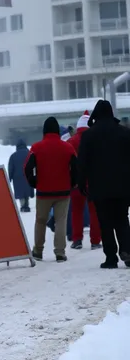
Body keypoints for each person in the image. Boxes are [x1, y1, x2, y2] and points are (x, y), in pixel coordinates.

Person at [78, 100, 130, 269]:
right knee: (122, 219)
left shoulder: (88, 135)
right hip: (123, 187)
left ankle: (111, 258)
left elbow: (82, 163)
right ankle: (127, 251)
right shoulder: (125, 133)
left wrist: (81, 183)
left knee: (105, 222)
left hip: (99, 187)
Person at [24, 116, 77, 263]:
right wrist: (72, 183)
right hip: (63, 192)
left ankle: (38, 251)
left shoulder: (36, 147)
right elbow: (76, 168)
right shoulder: (68, 147)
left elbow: (27, 168)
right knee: (61, 221)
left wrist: (34, 182)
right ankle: (60, 252)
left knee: (40, 221)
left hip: (43, 192)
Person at [67, 110, 101, 250]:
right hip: (93, 181)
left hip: (75, 182)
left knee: (76, 211)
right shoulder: (95, 139)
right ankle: (95, 241)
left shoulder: (70, 141)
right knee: (94, 212)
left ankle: (77, 240)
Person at [8, 139, 33, 213]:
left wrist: (9, 178)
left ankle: (23, 206)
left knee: (20, 192)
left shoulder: (13, 156)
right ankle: (27, 205)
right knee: (27, 190)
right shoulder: (30, 154)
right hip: (28, 176)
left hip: (17, 178)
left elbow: (11, 168)